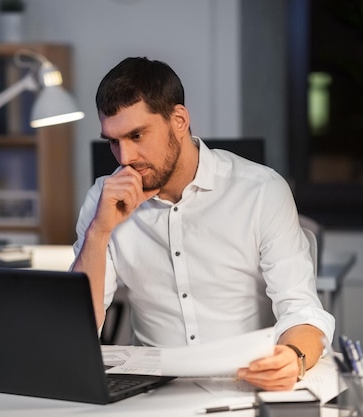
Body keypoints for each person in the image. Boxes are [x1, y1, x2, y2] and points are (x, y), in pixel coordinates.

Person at [71, 57, 335, 391]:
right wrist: (99, 231)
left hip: (246, 384)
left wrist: (293, 357)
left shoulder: (261, 191)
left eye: (137, 135)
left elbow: (302, 310)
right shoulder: (102, 200)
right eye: (113, 141)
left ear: (179, 120)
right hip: (153, 393)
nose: (125, 158)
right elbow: (79, 331)